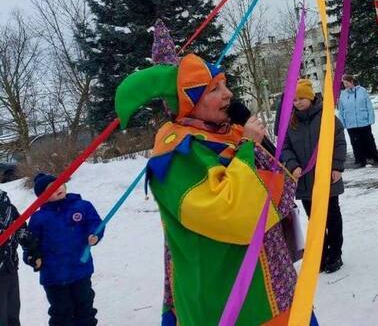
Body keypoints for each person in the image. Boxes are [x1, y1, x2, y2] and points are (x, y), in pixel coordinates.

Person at [114, 53, 298, 325]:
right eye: (215, 89)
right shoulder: (177, 153)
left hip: (275, 285)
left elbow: (280, 196)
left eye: (225, 85)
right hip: (230, 298)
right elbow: (232, 212)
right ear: (189, 102)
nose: (228, 95)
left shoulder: (230, 131)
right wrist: (248, 148)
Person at [281, 79, 347, 274]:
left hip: (327, 177)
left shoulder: (327, 117)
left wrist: (337, 167)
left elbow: (339, 142)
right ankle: (322, 252)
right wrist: (293, 166)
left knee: (332, 216)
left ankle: (335, 253)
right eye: (294, 99)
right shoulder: (290, 122)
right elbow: (285, 147)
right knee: (315, 218)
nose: (298, 102)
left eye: (301, 98)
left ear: (310, 97)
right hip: (305, 181)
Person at [25, 174, 103, 326]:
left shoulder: (82, 206)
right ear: (42, 197)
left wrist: (95, 234)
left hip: (80, 270)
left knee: (85, 308)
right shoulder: (39, 218)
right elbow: (30, 243)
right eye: (50, 189)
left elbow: (95, 222)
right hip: (54, 277)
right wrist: (34, 258)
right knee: (62, 312)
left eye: (58, 184)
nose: (57, 189)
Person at [0, 190, 38, 326]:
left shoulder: (7, 206)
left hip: (10, 269)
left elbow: (21, 231)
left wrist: (33, 252)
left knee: (12, 315)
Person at [337, 74, 378, 167]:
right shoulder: (343, 95)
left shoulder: (362, 91)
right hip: (351, 124)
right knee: (355, 143)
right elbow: (341, 110)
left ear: (352, 82)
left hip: (364, 122)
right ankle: (360, 161)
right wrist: (342, 123)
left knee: (369, 141)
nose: (346, 85)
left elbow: (369, 106)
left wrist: (371, 118)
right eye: (344, 84)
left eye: (347, 83)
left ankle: (375, 158)